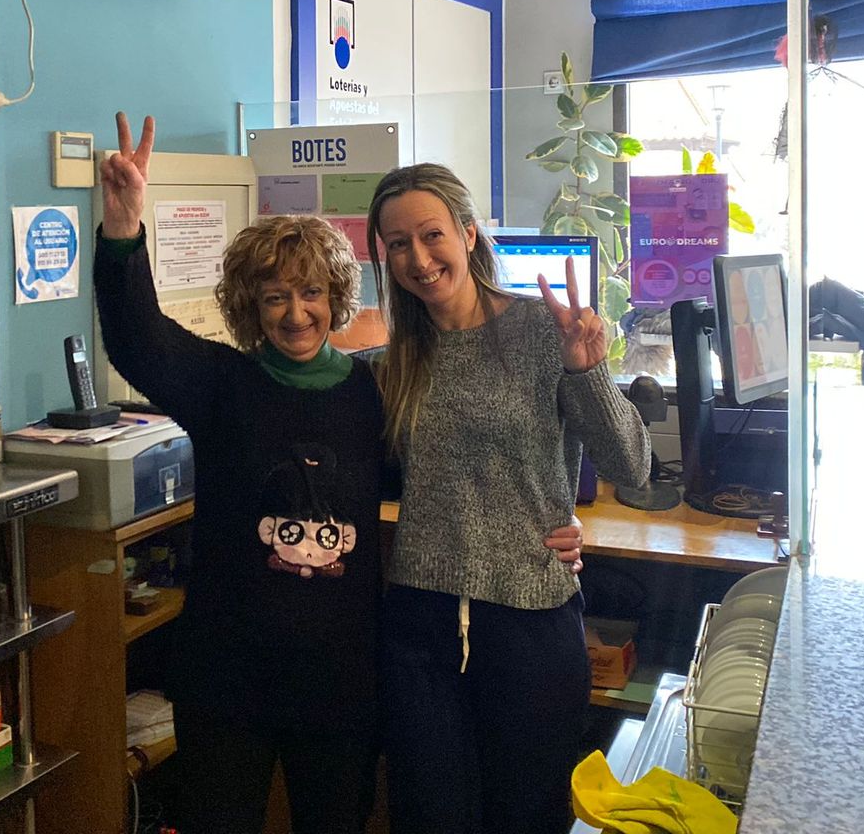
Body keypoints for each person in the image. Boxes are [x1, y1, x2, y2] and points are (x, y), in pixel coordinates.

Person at [94, 116, 585, 834]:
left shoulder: (375, 391)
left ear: (336, 297)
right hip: (227, 678)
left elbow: (457, 470)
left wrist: (557, 520)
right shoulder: (222, 386)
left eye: (311, 294)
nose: (296, 314)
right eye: (274, 297)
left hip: (341, 686)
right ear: (250, 307)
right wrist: (122, 229)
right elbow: (139, 341)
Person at [365, 163, 651, 834]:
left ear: (468, 234)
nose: (418, 259)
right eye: (398, 244)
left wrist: (589, 369)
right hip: (421, 626)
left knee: (526, 815)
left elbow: (630, 466)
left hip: (530, 619)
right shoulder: (396, 355)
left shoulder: (543, 330)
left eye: (432, 235)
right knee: (429, 818)